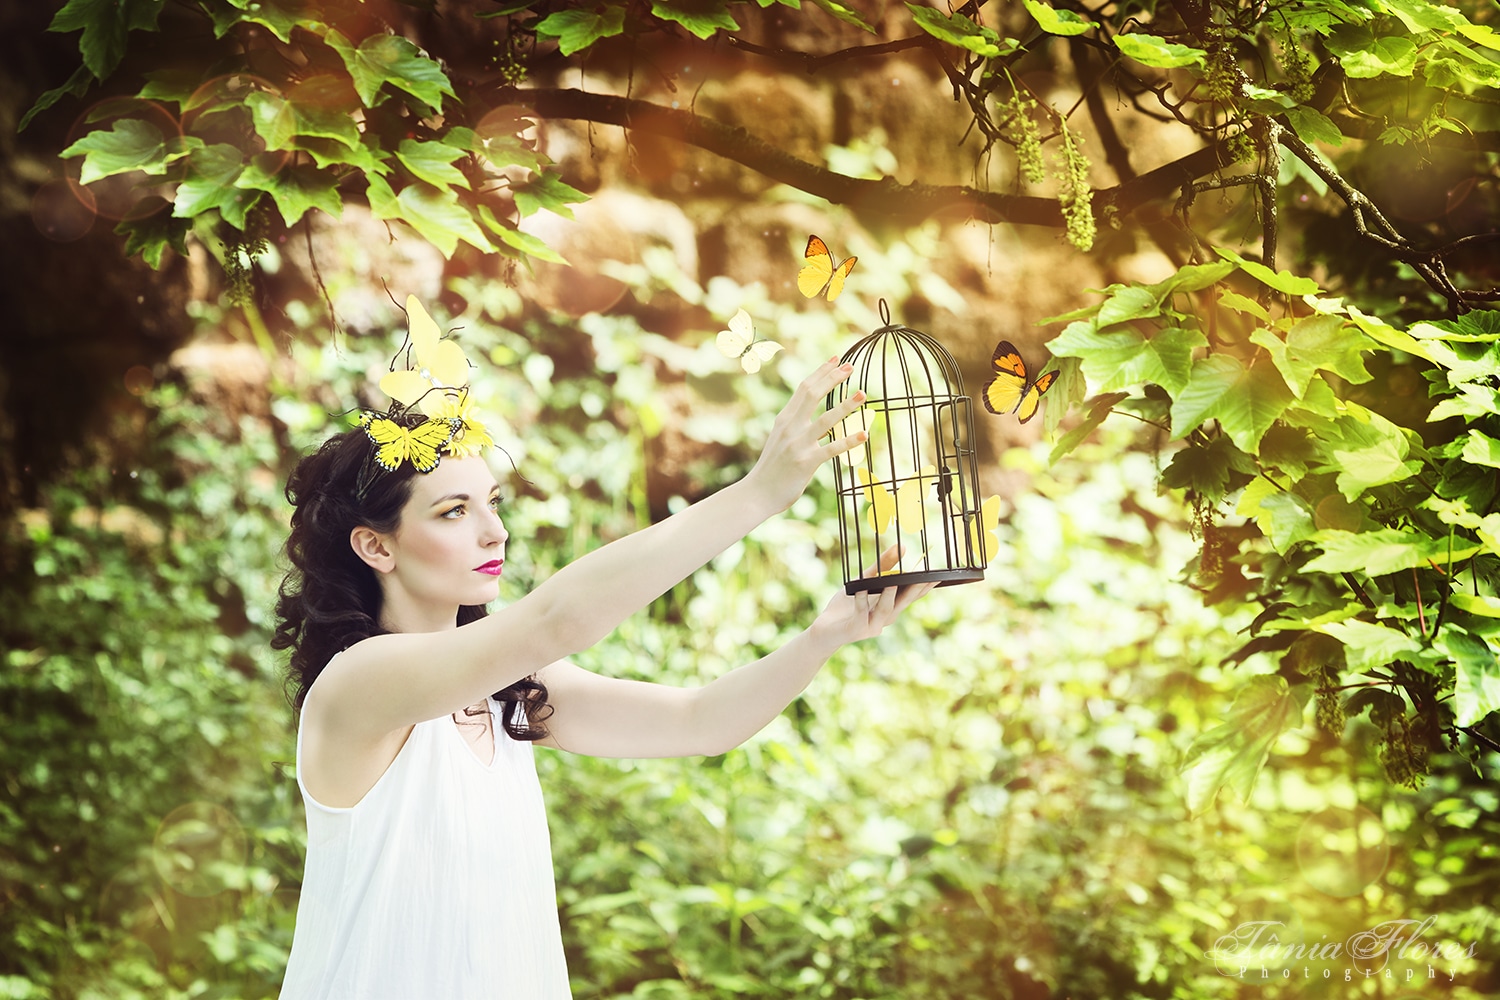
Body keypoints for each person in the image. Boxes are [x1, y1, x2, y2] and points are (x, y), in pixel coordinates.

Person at [272, 301, 934, 998]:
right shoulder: (358, 685)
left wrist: (823, 637)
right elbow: (557, 618)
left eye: (491, 502)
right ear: (376, 545)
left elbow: (700, 723)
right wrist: (756, 495)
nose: (494, 532)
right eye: (453, 511)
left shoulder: (507, 692)